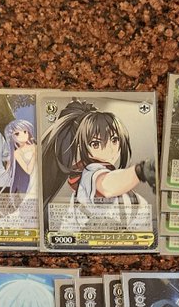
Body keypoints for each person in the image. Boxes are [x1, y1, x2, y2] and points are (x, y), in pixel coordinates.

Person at [39, 99, 155, 230]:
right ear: (82, 148)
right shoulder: (90, 172)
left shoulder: (108, 174)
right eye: (96, 144)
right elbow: (108, 186)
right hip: (84, 238)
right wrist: (140, 171)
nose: (109, 149)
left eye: (114, 140)